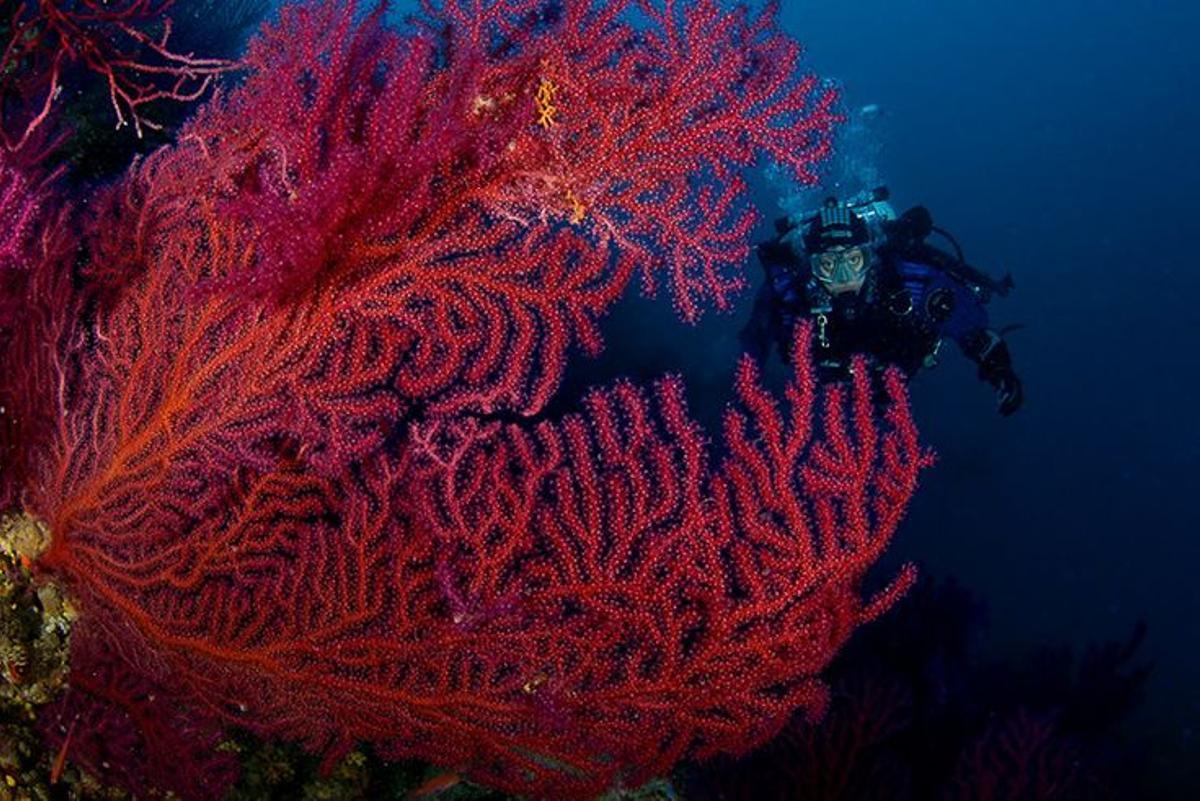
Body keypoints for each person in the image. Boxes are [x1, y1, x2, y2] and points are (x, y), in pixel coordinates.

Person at [741, 187, 1023, 415]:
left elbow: (965, 319)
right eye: (827, 265)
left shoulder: (907, 279)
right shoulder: (791, 294)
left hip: (900, 378)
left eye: (854, 260)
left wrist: (998, 368)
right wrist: (747, 392)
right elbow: (756, 337)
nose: (843, 276)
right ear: (811, 267)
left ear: (871, 257)